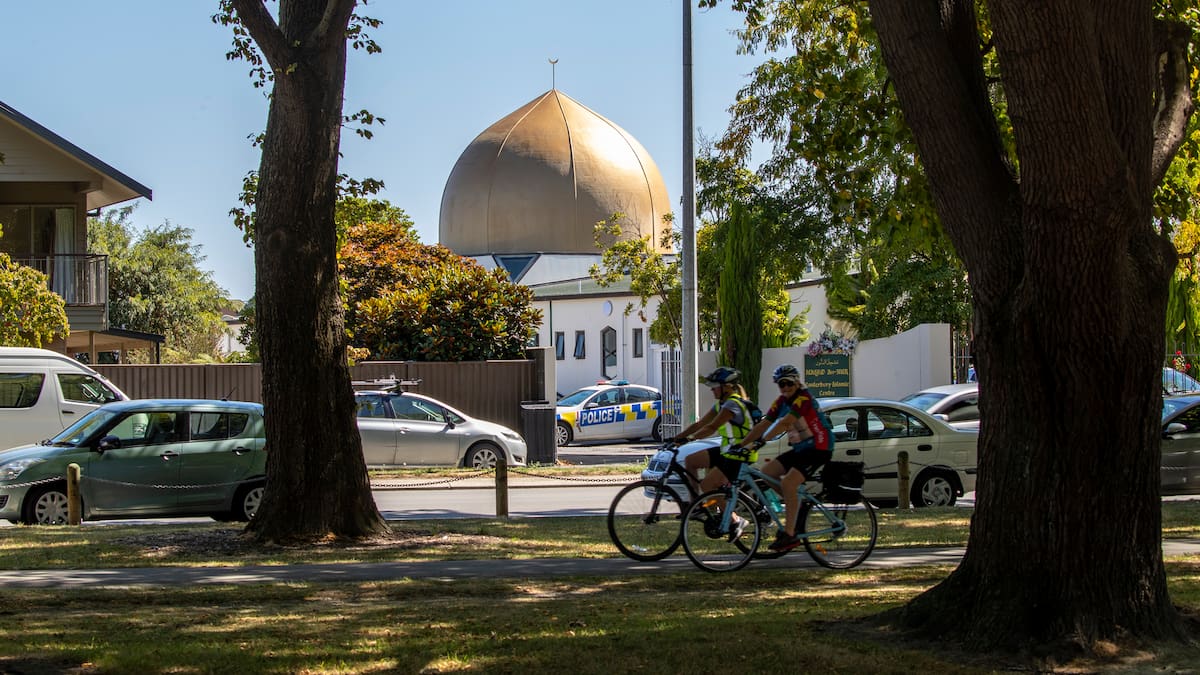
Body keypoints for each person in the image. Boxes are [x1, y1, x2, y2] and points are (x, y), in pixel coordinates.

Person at [728, 364, 834, 552]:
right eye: (780, 384)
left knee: (788, 484)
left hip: (819, 447)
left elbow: (785, 423)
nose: (784, 388)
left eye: (788, 383)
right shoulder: (780, 401)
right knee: (767, 472)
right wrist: (742, 444)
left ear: (796, 381)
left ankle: (790, 534)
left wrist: (762, 441)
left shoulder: (803, 398)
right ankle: (796, 503)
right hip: (801, 449)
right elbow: (764, 424)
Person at [671, 366, 759, 540]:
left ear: (726, 387)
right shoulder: (721, 404)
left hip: (739, 454)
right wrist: (677, 437)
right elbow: (700, 423)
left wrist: (689, 439)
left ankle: (736, 520)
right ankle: (696, 505)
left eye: (714, 385)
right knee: (691, 461)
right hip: (727, 451)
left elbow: (711, 427)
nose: (711, 389)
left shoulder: (732, 404)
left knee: (708, 485)